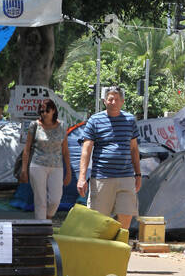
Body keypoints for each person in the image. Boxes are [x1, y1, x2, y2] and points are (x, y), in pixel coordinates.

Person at [76, 85, 141, 232]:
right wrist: (81, 177)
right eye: (110, 99)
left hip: (126, 177)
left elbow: (134, 149)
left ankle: (120, 252)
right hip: (102, 178)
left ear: (122, 101)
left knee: (126, 218)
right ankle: (97, 253)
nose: (113, 102)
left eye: (117, 99)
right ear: (105, 101)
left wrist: (138, 174)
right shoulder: (95, 120)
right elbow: (86, 150)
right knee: (97, 222)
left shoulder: (130, 120)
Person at [20, 98, 72, 222]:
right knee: (40, 200)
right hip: (37, 165)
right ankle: (41, 228)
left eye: (47, 110)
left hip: (57, 167)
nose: (44, 113)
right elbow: (27, 149)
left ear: (53, 110)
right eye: (41, 111)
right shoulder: (34, 125)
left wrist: (68, 171)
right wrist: (24, 169)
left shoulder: (63, 126)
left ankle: (47, 218)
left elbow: (65, 151)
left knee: (55, 200)